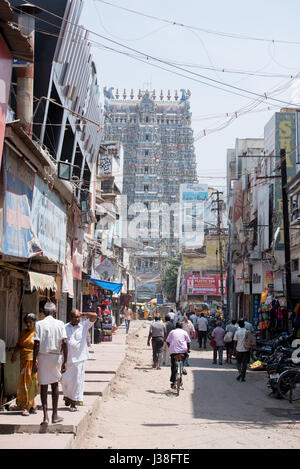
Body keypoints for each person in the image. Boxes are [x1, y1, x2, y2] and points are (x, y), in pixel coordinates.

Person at [32, 301, 68, 426]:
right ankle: (55, 415)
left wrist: (33, 362)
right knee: (54, 385)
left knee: (43, 386)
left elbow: (36, 344)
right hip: (55, 357)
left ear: (43, 311)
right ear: (54, 312)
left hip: (42, 357)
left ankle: (45, 417)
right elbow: (64, 342)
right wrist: (65, 361)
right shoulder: (60, 324)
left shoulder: (39, 324)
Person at [62, 309, 97, 411]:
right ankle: (68, 397)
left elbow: (94, 315)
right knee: (65, 381)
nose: (77, 319)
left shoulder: (84, 326)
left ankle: (74, 402)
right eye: (75, 317)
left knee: (77, 381)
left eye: (78, 317)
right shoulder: (64, 327)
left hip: (79, 359)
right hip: (67, 359)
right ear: (70, 318)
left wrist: (82, 314)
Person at [11, 313, 39, 416]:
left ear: (34, 323)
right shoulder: (23, 333)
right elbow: (18, 345)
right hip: (23, 362)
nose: (28, 324)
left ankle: (28, 406)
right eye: (27, 322)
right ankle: (30, 405)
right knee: (24, 384)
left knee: (31, 384)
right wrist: (14, 354)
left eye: (30, 322)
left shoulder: (37, 333)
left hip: (33, 362)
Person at [166, 322, 191, 389]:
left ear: (175, 326)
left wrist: (170, 348)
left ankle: (173, 382)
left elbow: (167, 341)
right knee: (186, 356)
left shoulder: (172, 332)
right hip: (183, 351)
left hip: (173, 352)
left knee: (173, 367)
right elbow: (188, 342)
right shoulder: (184, 332)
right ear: (182, 327)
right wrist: (188, 350)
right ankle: (183, 367)